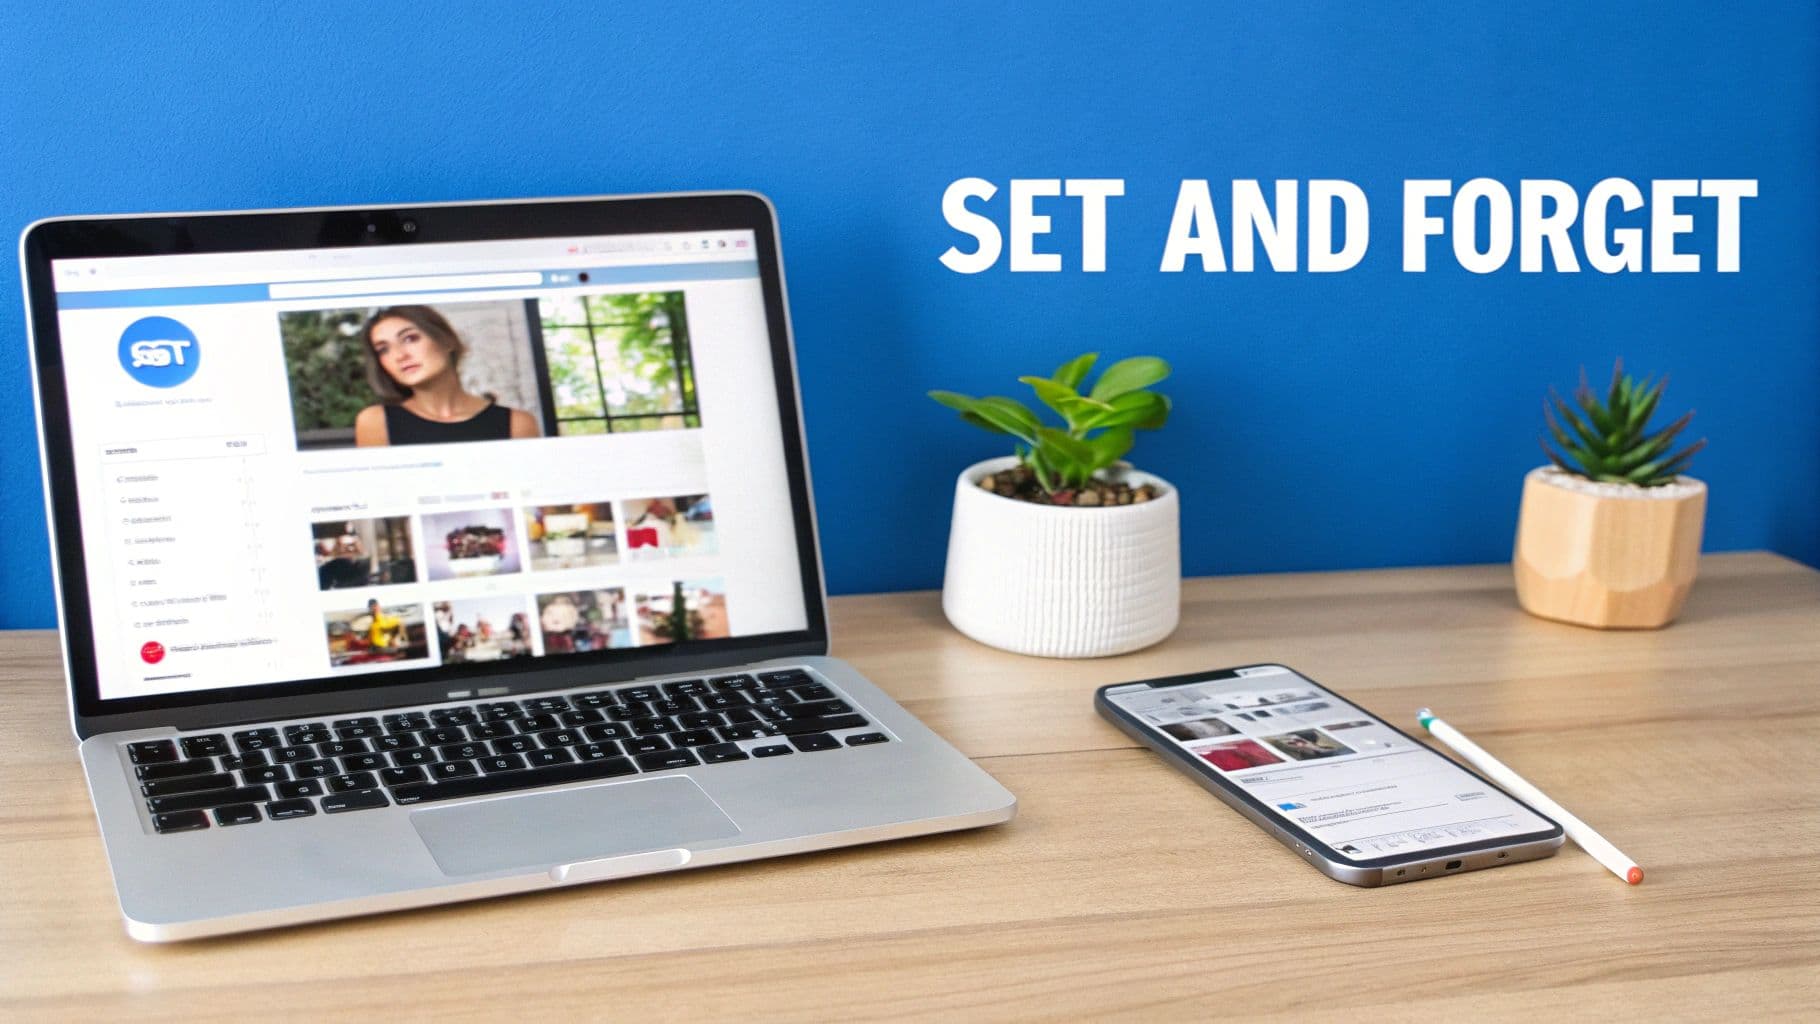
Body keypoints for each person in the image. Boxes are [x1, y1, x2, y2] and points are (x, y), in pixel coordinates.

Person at [352, 305, 540, 446]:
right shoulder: (374, 422)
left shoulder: (518, 423)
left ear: (446, 340)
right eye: (383, 349)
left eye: (410, 338)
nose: (400, 355)